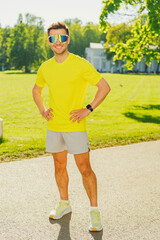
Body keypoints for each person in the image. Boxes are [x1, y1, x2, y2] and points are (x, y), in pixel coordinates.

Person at [32, 22, 111, 232]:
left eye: (62, 38)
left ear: (68, 39)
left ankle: (94, 211)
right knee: (59, 166)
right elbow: (36, 90)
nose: (58, 42)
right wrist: (42, 109)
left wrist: (88, 109)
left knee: (85, 169)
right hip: (54, 126)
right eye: (53, 39)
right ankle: (64, 204)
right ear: (48, 42)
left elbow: (104, 87)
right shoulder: (46, 67)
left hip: (76, 127)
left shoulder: (81, 64)